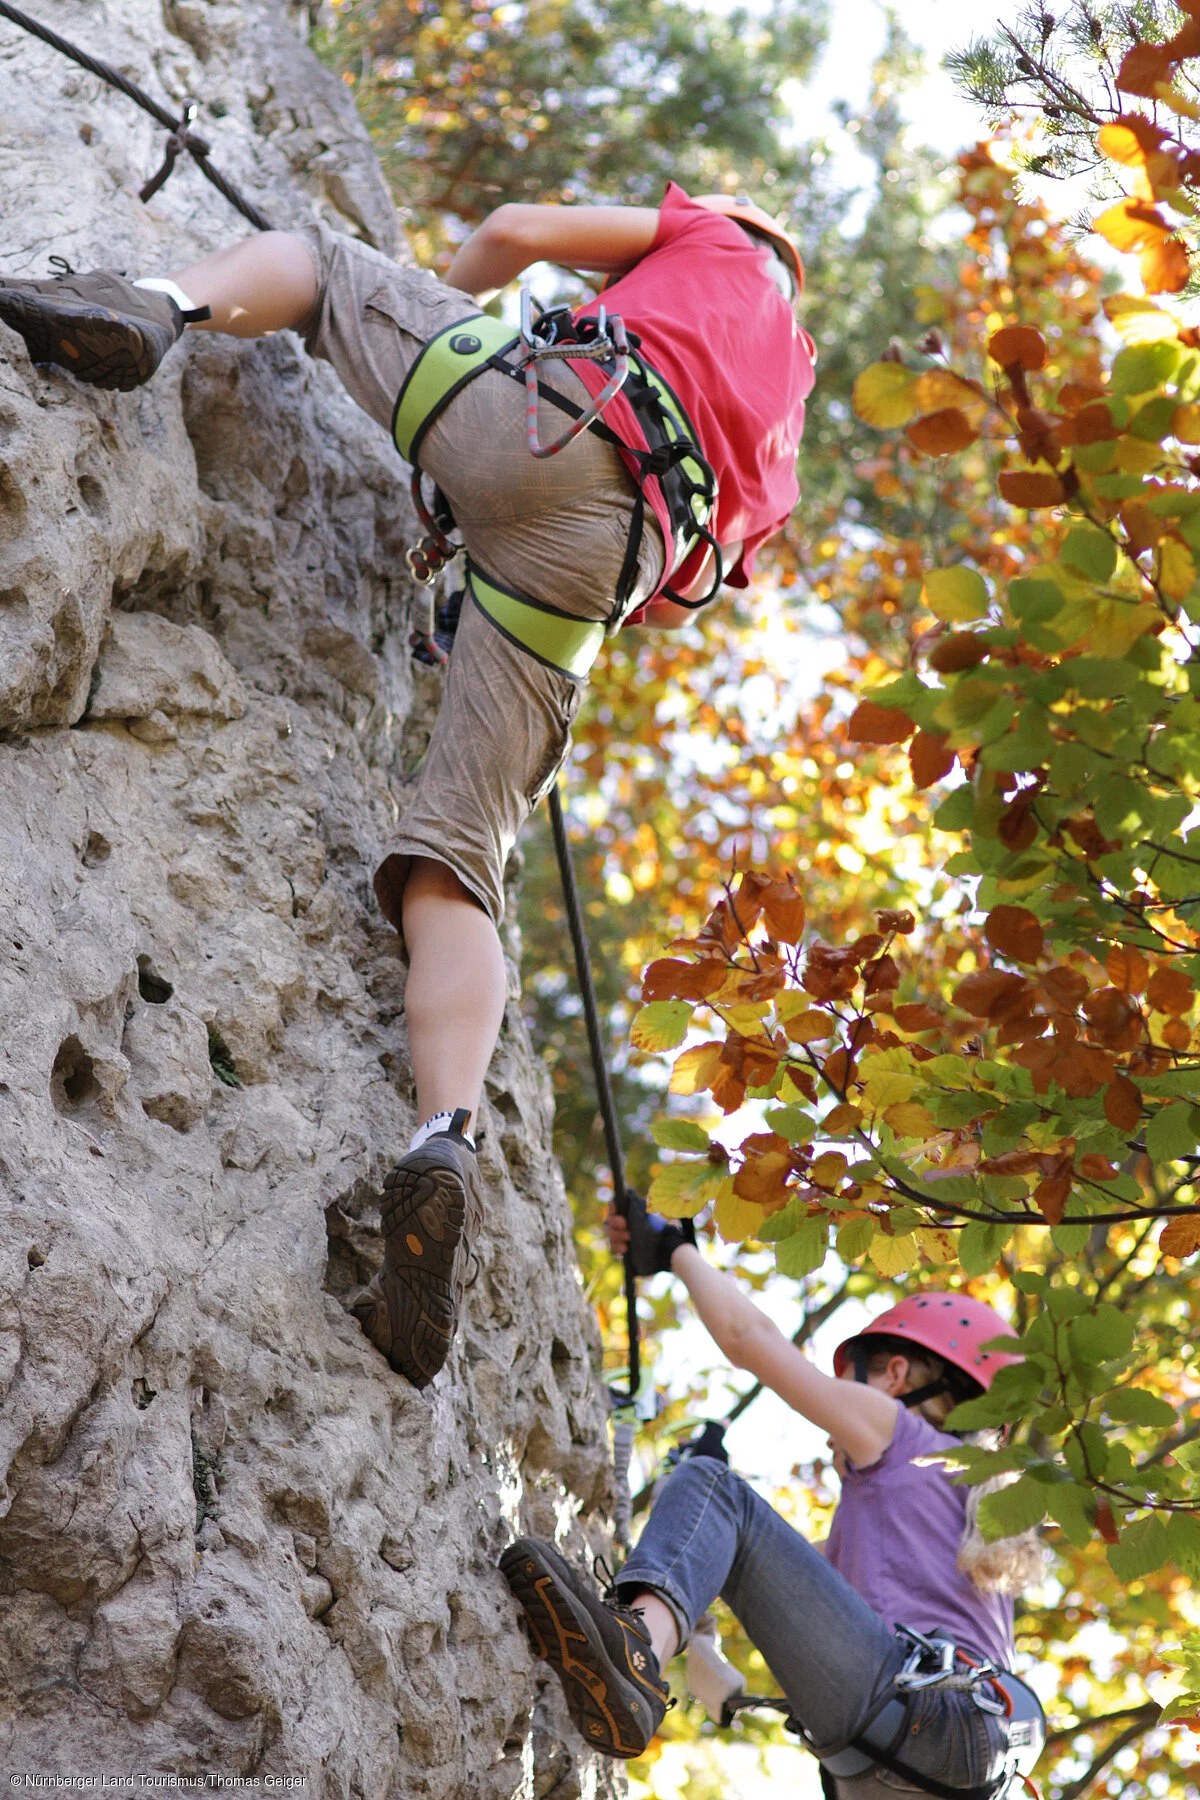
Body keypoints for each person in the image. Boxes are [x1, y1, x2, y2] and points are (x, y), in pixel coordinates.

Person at [0, 188, 814, 1390]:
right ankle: (444, 1136)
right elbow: (687, 575)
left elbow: (514, 233)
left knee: (325, 264)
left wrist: (443, 308)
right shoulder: (782, 432)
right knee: (457, 857)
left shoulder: (722, 239)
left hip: (539, 419)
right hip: (599, 568)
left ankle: (155, 309)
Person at [501, 1202, 1046, 1796]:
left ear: (893, 1374)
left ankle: (636, 1657)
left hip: (913, 1716)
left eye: (850, 1381)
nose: (840, 1402)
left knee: (713, 1487)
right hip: (951, 1764)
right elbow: (761, 1568)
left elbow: (750, 1339)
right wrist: (697, 1533)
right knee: (715, 1504)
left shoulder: (901, 1433)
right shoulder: (957, 1505)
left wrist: (676, 1253)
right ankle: (636, 1652)